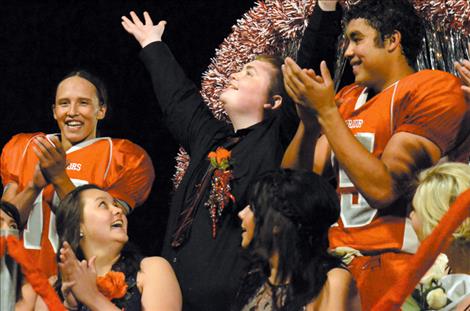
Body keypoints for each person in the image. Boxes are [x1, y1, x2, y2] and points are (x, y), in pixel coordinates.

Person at [281, 0, 469, 309]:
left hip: (399, 267)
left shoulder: (433, 88)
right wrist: (309, 124)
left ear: (393, 40)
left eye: (357, 39)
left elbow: (384, 190)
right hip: (337, 265)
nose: (347, 53)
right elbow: (291, 189)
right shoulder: (346, 98)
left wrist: (327, 112)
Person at [120, 10, 309, 310]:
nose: (236, 74)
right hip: (169, 299)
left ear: (273, 102)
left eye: (250, 73)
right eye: (240, 69)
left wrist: (325, 9)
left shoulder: (276, 140)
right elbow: (179, 100)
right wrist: (152, 43)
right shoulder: (210, 137)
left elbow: (305, 81)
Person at [0, 70, 155, 277]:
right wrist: (34, 186)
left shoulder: (123, 157)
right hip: (20, 284)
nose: (72, 111)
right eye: (64, 103)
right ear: (54, 111)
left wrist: (59, 178)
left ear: (101, 110)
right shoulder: (24, 148)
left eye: (83, 103)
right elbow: (5, 224)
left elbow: (104, 230)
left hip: (78, 288)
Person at [235, 169, 360, 311]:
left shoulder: (332, 282)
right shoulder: (256, 277)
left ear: (277, 223)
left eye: (252, 208)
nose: (241, 214)